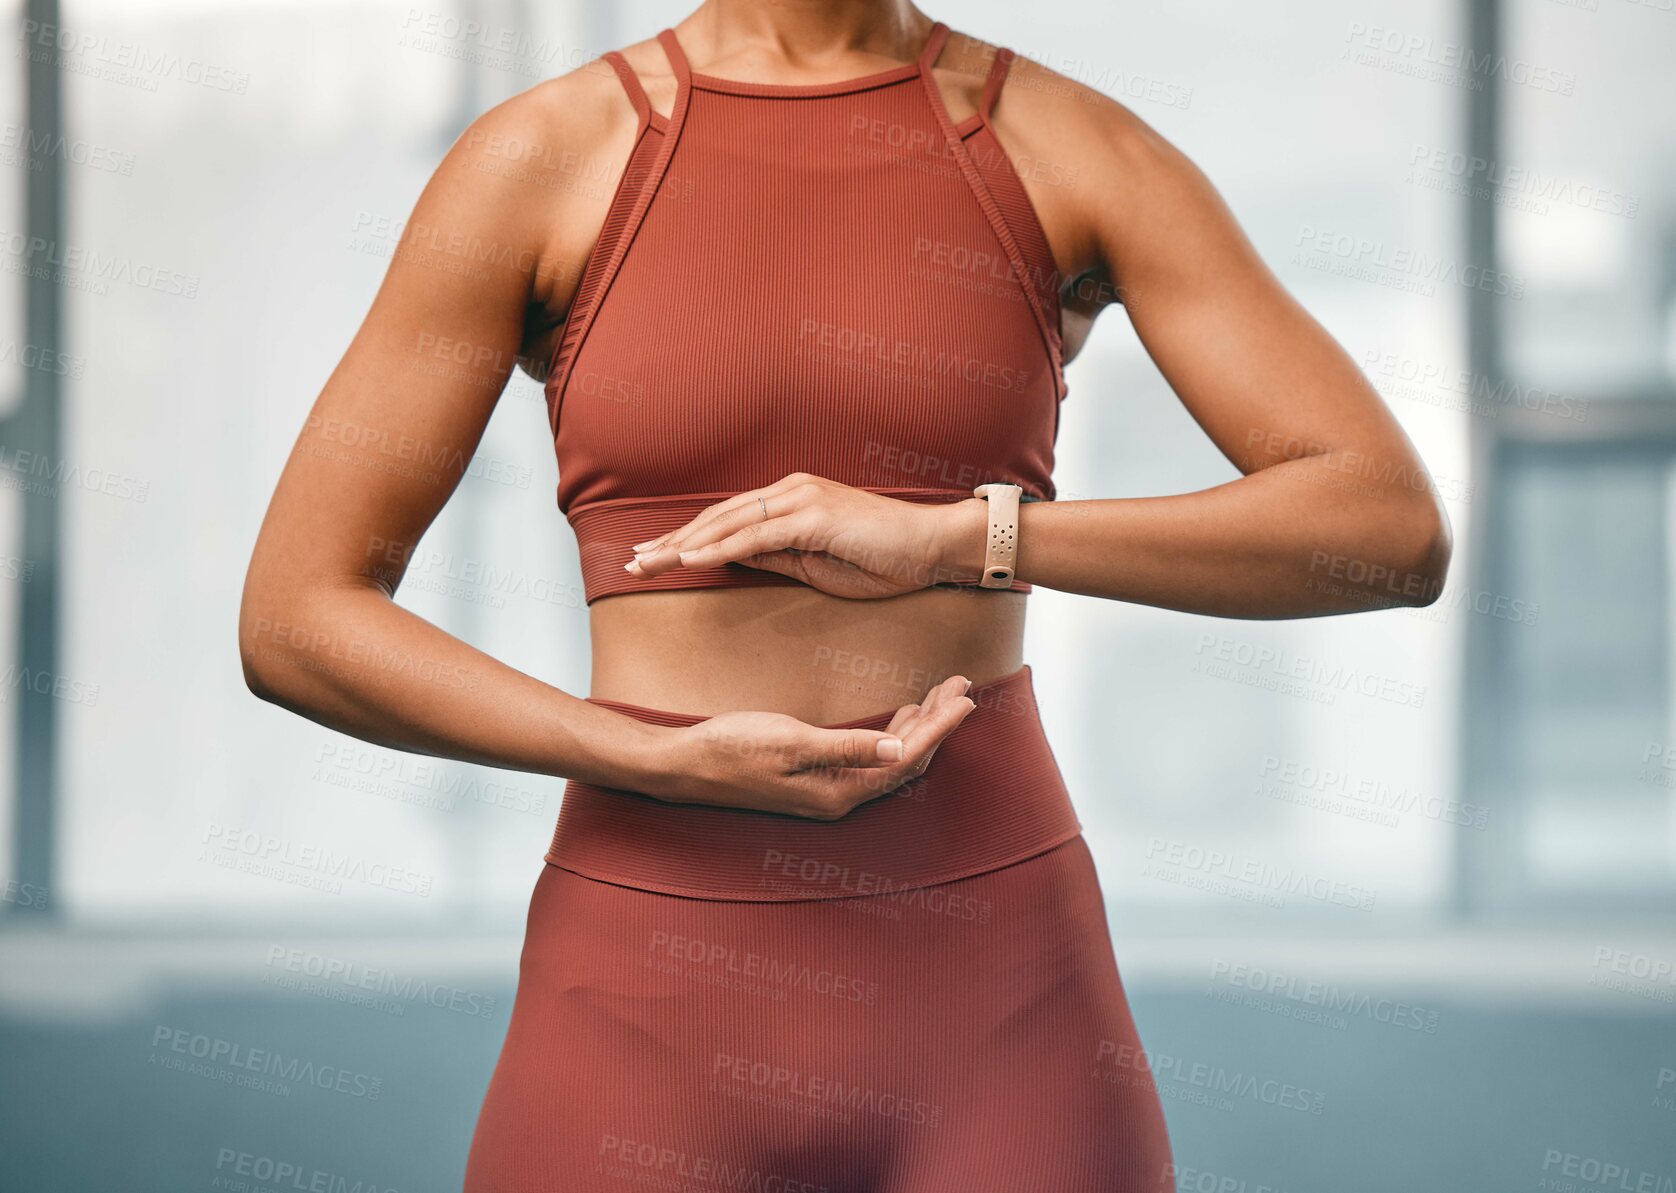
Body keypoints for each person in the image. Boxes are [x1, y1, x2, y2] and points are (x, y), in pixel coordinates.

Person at [239, 2, 1451, 1187]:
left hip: (998, 992)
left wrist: (958, 539)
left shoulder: (1070, 148)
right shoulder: (541, 158)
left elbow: (1382, 526)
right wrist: (649, 757)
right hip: (642, 987)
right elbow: (295, 617)